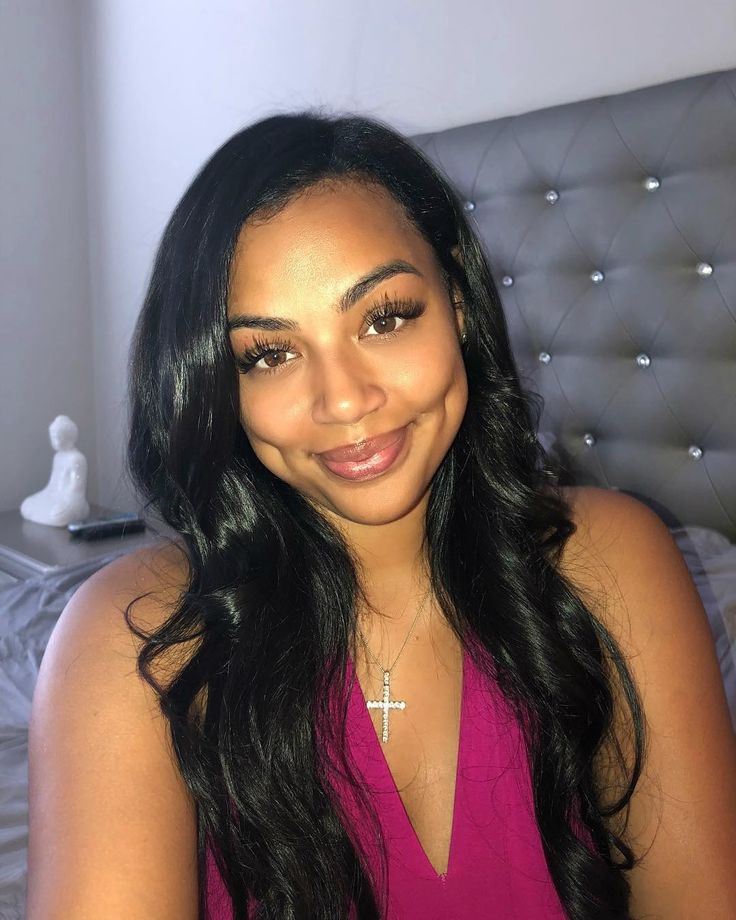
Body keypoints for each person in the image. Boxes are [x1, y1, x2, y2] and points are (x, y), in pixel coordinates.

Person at [26, 112, 736, 920]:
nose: (345, 399)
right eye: (270, 353)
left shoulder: (613, 561)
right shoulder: (132, 639)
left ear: (459, 304)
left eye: (385, 317)